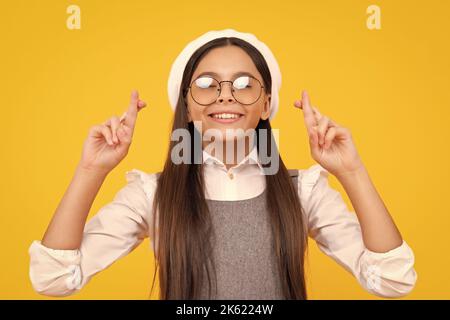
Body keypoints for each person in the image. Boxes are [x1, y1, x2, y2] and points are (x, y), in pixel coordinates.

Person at [28, 28, 417, 299]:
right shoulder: (152, 194)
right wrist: (92, 170)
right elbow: (54, 278)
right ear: (187, 103)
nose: (225, 96)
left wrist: (351, 171)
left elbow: (391, 280)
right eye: (206, 84)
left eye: (245, 84)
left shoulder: (304, 191)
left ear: (266, 104)